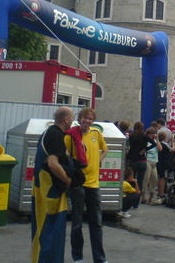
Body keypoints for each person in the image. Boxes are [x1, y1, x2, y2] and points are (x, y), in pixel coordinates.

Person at [65, 108, 108, 263]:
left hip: (93, 184)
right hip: (78, 184)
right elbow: (64, 155)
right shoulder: (70, 135)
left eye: (90, 119)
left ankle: (100, 258)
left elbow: (105, 148)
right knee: (77, 223)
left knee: (96, 223)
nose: (87, 121)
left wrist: (99, 159)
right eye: (85, 118)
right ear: (79, 119)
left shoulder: (96, 134)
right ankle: (78, 257)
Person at [31, 107, 73, 263]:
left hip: (41, 188)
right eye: (72, 118)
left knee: (41, 230)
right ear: (66, 119)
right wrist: (69, 181)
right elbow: (53, 164)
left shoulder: (46, 133)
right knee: (50, 233)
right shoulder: (56, 135)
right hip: (51, 191)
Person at [142, 128, 161, 204]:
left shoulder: (155, 141)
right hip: (147, 161)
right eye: (150, 134)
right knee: (146, 179)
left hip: (154, 162)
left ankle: (151, 196)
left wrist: (157, 139)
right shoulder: (146, 141)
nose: (152, 135)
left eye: (153, 133)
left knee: (154, 179)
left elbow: (160, 149)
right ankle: (143, 197)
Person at [127, 121, 147, 191]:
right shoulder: (144, 136)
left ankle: (131, 193)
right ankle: (139, 194)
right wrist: (144, 150)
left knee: (131, 178)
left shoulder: (131, 136)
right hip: (142, 160)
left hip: (133, 159)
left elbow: (130, 146)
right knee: (140, 180)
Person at [157, 131, 174, 203]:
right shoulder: (165, 145)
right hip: (165, 163)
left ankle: (159, 193)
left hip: (160, 162)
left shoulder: (159, 144)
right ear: (164, 137)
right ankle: (161, 193)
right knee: (163, 178)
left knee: (160, 178)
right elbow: (172, 150)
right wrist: (174, 143)